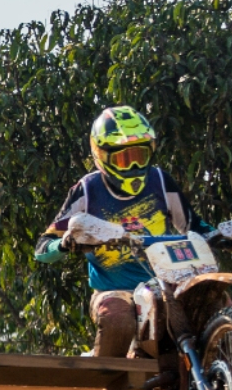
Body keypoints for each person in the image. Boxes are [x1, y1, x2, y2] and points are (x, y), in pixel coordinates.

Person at [34, 106, 213, 358]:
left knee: (216, 301)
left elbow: (194, 225)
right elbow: (42, 248)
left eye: (140, 155)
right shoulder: (87, 190)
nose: (135, 165)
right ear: (102, 155)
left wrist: (225, 234)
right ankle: (105, 385)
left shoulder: (160, 181)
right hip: (116, 292)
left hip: (166, 283)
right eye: (124, 159)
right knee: (118, 319)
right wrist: (64, 244)